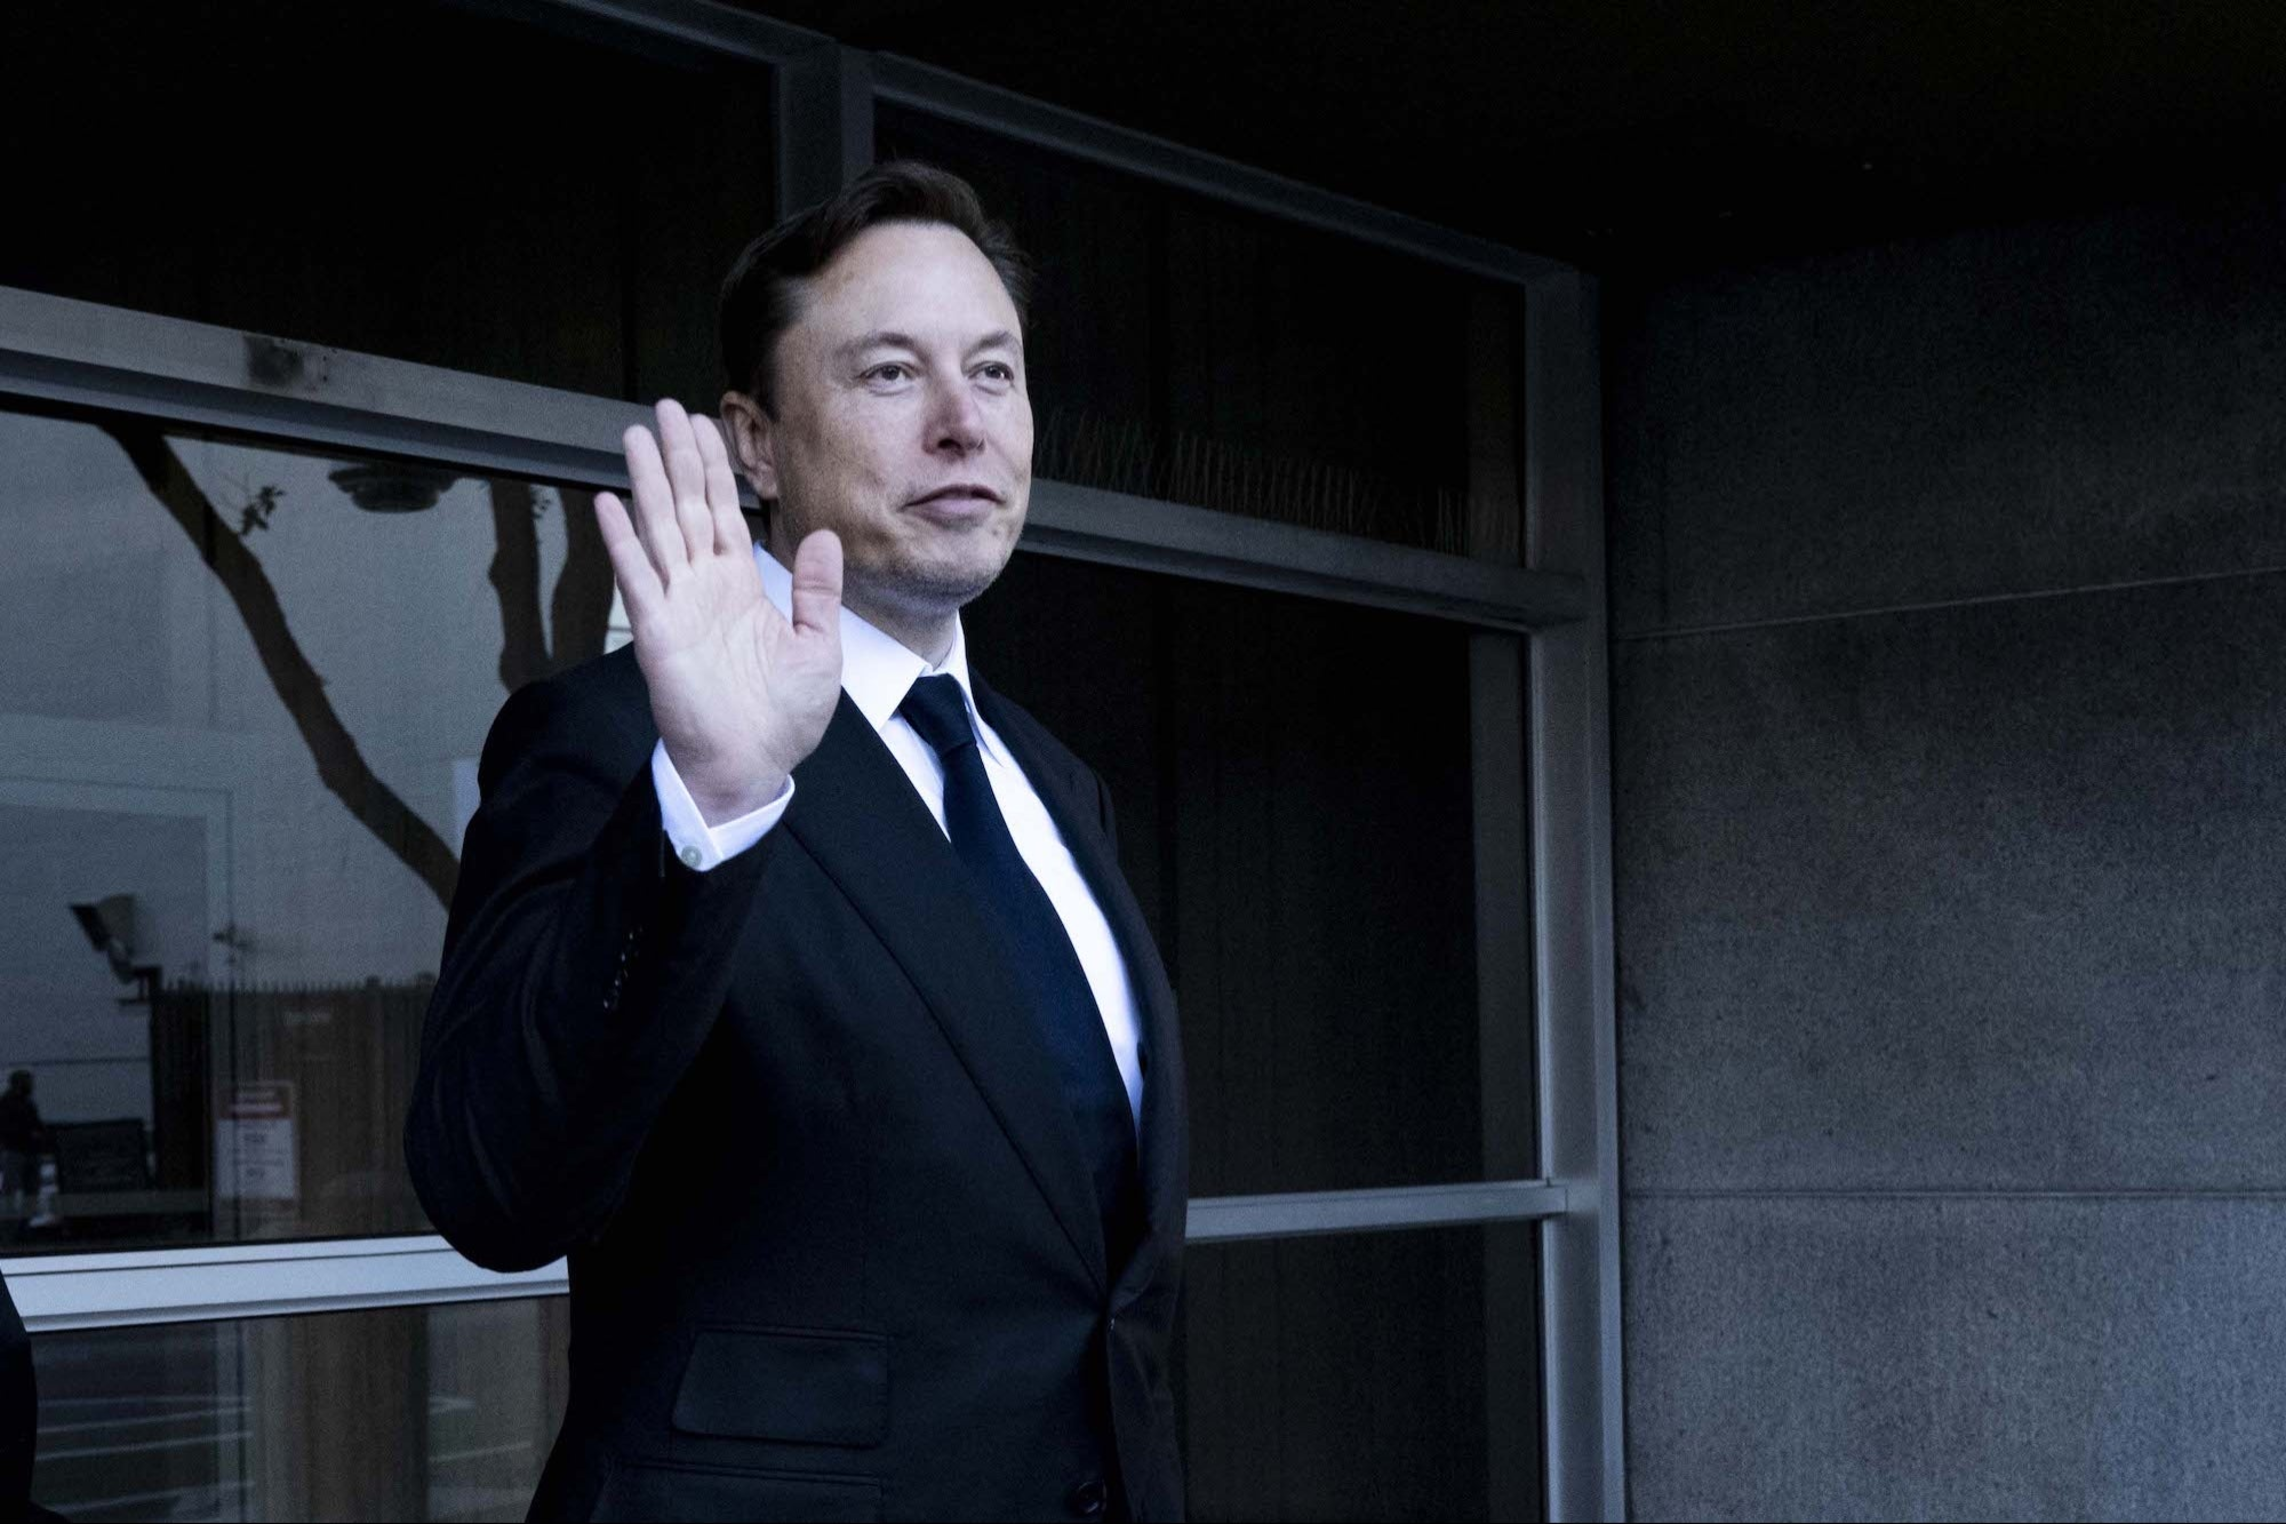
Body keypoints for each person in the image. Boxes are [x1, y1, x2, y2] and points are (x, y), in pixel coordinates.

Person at [406, 162, 1187, 1522]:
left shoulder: (1058, 785)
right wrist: (710, 796)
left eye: (993, 373)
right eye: (890, 373)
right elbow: (496, 1189)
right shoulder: (621, 743)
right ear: (755, 444)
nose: (962, 424)